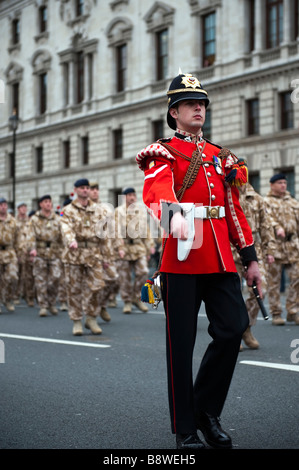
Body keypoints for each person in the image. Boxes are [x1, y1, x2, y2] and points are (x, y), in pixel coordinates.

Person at [136, 72, 262, 449]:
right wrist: (172, 214)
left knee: (233, 327)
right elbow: (156, 187)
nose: (199, 109)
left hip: (221, 255)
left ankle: (206, 411)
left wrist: (250, 258)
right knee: (181, 345)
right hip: (183, 256)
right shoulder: (163, 150)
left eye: (202, 103)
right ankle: (185, 429)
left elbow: (234, 209)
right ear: (174, 112)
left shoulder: (219, 156)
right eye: (191, 103)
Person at [60, 178, 110, 336]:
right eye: (82, 188)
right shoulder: (67, 210)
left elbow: (104, 234)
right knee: (74, 289)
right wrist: (71, 240)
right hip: (75, 253)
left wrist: (107, 257)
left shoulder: (99, 210)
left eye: (87, 188)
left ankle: (91, 318)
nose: (85, 190)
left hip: (94, 254)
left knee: (97, 287)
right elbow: (65, 226)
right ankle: (76, 321)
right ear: (75, 190)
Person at [231, 183, 276, 349]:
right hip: (229, 251)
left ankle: (246, 327)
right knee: (231, 293)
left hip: (253, 251)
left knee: (258, 290)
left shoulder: (257, 199)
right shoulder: (225, 193)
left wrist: (269, 250)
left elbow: (266, 226)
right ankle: (234, 331)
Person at [263, 174, 299, 325]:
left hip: (292, 246)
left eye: (285, 182)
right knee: (274, 283)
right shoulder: (266, 202)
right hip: (275, 246)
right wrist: (277, 227)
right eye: (279, 182)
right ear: (272, 185)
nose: (283, 185)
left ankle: (292, 310)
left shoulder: (292, 202)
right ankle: (276, 313)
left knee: (296, 278)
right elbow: (267, 219)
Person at [114, 187, 155, 314]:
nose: (132, 197)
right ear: (125, 197)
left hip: (138, 247)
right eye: (129, 195)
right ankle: (127, 301)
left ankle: (136, 298)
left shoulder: (140, 211)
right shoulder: (119, 211)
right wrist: (119, 247)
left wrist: (150, 246)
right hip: (125, 247)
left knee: (143, 272)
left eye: (133, 195)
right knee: (125, 276)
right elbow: (116, 231)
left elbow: (146, 230)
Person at [27, 195, 63, 317]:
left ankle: (52, 302)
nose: (48, 204)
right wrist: (32, 249)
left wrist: (65, 250)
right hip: (40, 252)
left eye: (50, 202)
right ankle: (43, 305)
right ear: (41, 204)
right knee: (40, 280)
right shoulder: (35, 219)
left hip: (54, 252)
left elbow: (62, 236)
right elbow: (30, 235)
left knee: (55, 278)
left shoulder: (57, 219)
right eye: (46, 202)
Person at [89, 182, 119, 322]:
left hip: (107, 251)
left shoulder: (106, 208)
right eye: (92, 189)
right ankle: (92, 314)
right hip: (91, 252)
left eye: (97, 189)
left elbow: (114, 229)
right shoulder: (85, 208)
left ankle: (102, 306)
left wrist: (119, 247)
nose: (95, 192)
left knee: (112, 279)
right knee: (95, 284)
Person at [0, 197, 18, 313]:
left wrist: (20, 251)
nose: (3, 207)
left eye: (5, 204)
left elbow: (18, 237)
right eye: (1, 205)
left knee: (12, 277)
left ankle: (8, 299)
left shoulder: (13, 220)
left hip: (10, 252)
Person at [14, 202, 28, 304]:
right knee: (16, 274)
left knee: (27, 275)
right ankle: (15, 295)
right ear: (18, 209)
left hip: (27, 251)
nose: (23, 209)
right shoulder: (14, 222)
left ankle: (27, 295)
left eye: (25, 207)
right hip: (17, 251)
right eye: (21, 207)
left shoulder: (30, 221)